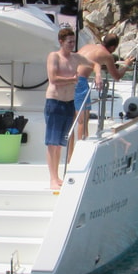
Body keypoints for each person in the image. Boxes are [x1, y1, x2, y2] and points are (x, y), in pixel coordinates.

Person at [44, 27, 94, 190]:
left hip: (69, 103)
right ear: (61, 42)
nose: (72, 44)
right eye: (69, 42)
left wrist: (98, 74)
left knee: (61, 142)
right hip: (55, 102)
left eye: (73, 41)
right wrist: (72, 79)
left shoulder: (76, 58)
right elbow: (53, 78)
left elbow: (93, 64)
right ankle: (53, 178)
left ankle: (58, 176)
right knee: (53, 143)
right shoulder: (54, 56)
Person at [74, 34, 135, 141]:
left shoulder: (88, 46)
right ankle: (82, 146)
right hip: (80, 82)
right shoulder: (107, 55)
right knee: (82, 121)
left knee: (72, 119)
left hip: (69, 78)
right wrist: (126, 65)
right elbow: (116, 76)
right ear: (112, 47)